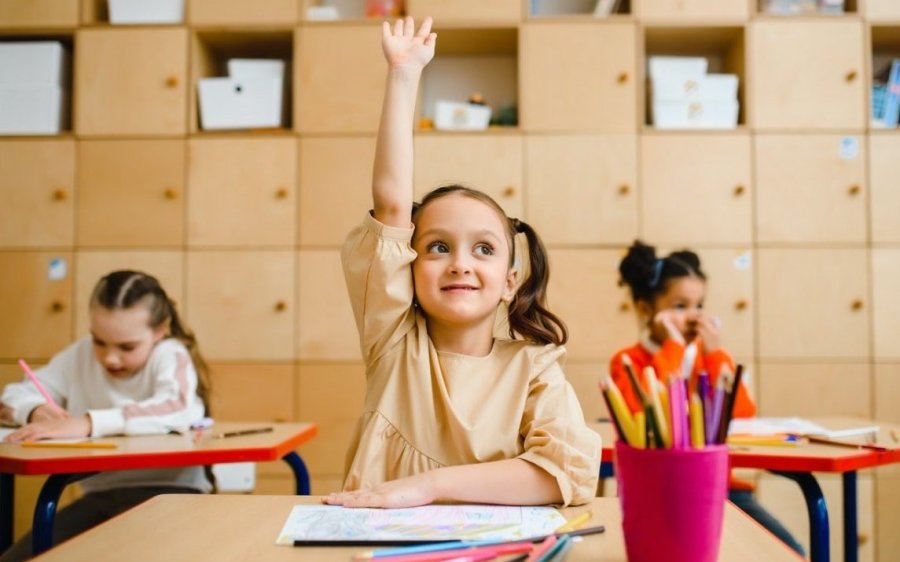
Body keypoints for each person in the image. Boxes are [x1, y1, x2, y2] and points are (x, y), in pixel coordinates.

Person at [323, 16, 600, 509]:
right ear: (407, 266)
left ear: (510, 281)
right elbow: (390, 205)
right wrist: (403, 75)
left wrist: (430, 487)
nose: (459, 264)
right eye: (437, 247)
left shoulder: (535, 368)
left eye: (484, 249)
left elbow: (564, 474)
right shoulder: (392, 341)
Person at [0, 270, 212, 561]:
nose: (110, 358)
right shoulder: (79, 356)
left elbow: (178, 406)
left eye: (127, 347)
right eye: (99, 341)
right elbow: (12, 397)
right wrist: (34, 410)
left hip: (173, 493)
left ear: (160, 330)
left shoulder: (170, 354)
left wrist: (87, 423)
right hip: (100, 498)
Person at [610, 240, 804, 556]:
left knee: (790, 550)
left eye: (699, 305)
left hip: (719, 490)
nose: (693, 317)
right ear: (647, 309)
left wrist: (715, 355)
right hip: (661, 494)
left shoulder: (707, 357)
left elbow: (740, 415)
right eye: (680, 306)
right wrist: (671, 349)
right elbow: (642, 411)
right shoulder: (628, 361)